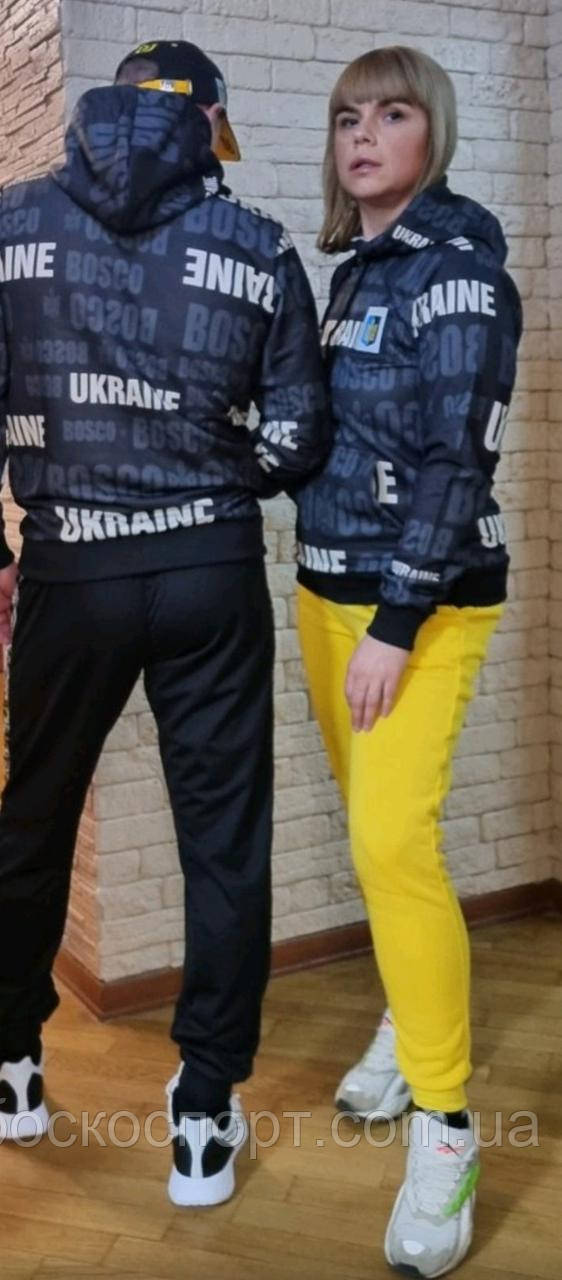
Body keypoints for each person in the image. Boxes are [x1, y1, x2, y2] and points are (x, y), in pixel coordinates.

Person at [0, 38, 330, 1206]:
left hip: (73, 571)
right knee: (223, 841)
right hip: (209, 571)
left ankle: (16, 1062)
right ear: (208, 119)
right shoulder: (258, 244)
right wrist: (214, 477)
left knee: (35, 812)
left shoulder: (12, 224)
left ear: (107, 110)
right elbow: (298, 434)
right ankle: (204, 1113)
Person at [295, 46, 521, 1277]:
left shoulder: (461, 274)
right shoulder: (352, 276)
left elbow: (455, 460)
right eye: (347, 117)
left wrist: (393, 621)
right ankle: (404, 1009)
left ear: (430, 131)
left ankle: (445, 1126)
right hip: (323, 591)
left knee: (391, 842)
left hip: (416, 610)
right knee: (372, 832)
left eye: (389, 114)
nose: (362, 135)